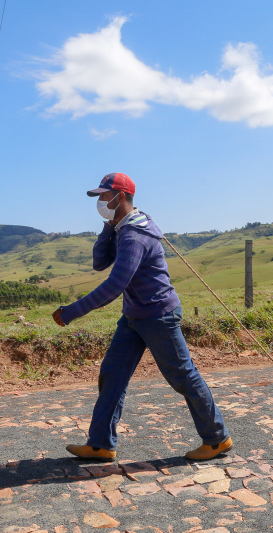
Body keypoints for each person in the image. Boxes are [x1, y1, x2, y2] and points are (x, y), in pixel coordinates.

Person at [52, 172, 232, 461]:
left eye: (103, 196)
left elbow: (114, 285)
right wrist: (108, 226)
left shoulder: (135, 235)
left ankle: (217, 439)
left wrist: (72, 312)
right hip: (134, 316)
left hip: (158, 315)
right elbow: (100, 263)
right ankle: (100, 444)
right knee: (112, 375)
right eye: (98, 196)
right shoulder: (123, 227)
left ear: (119, 197)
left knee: (183, 376)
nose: (99, 201)